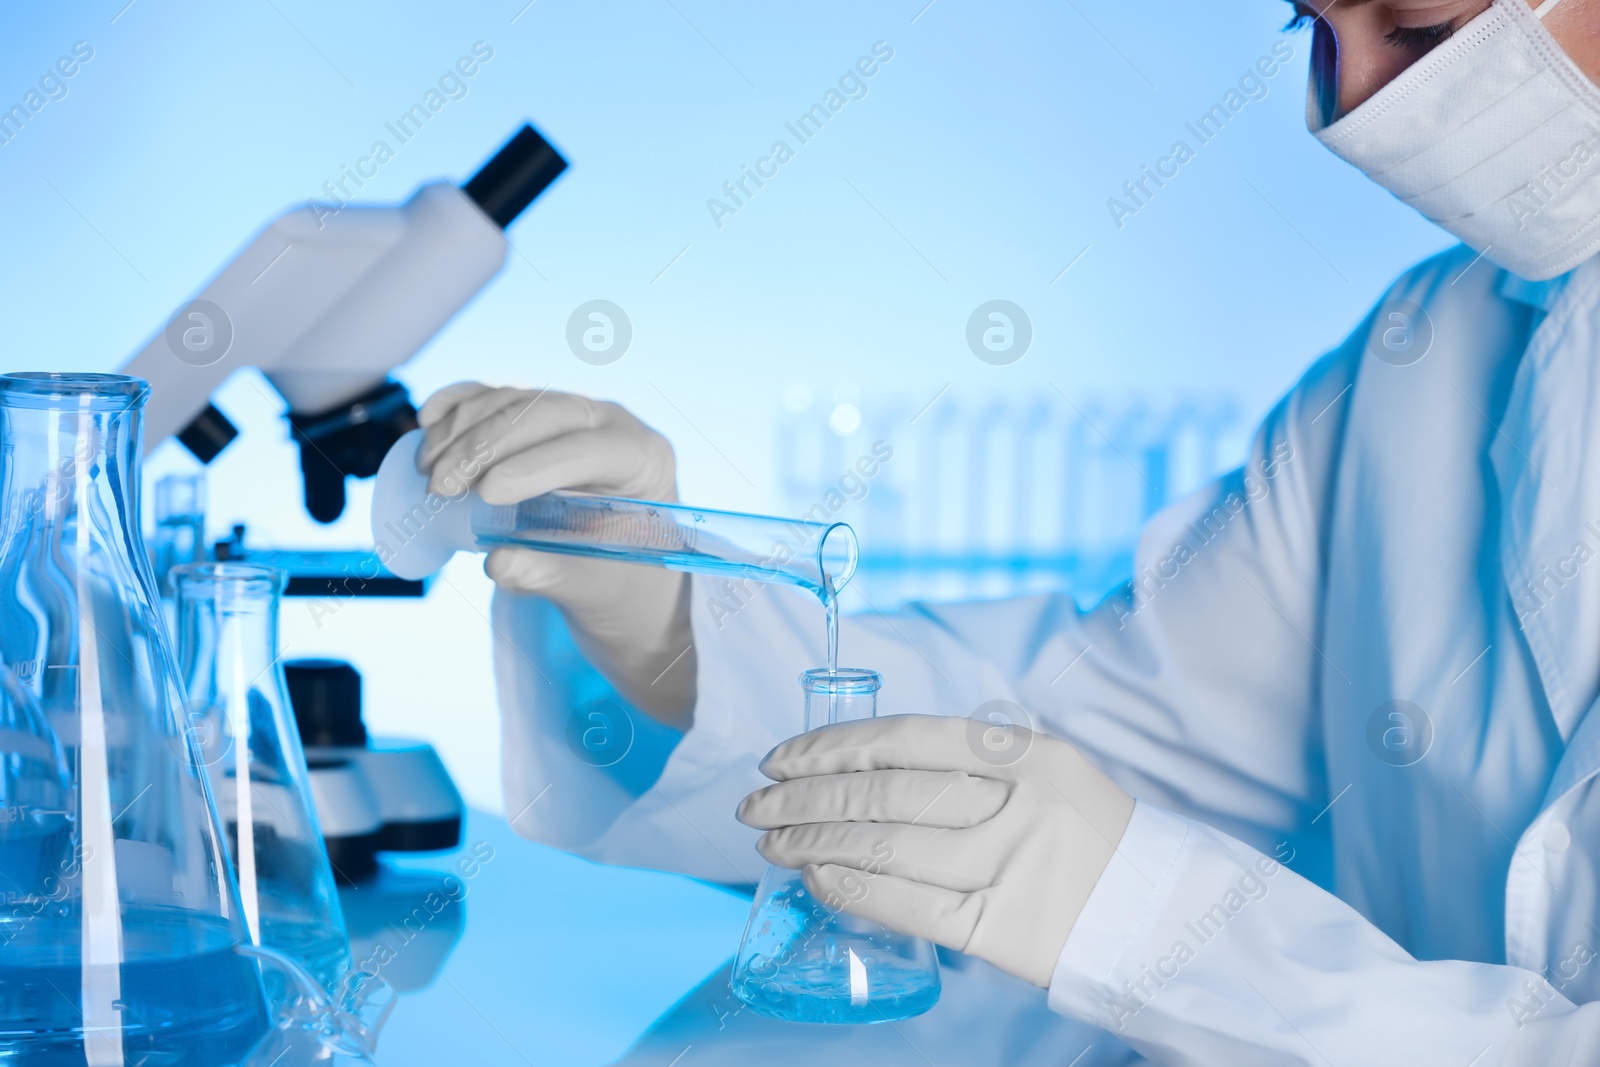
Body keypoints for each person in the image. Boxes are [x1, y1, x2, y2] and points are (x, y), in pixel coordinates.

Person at [417, 0, 1600, 1061]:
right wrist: (673, 620)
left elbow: (1103, 875)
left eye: (1422, 29)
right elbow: (1076, 742)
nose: (1345, 109)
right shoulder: (1428, 354)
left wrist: (1136, 919)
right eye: (1311, 32)